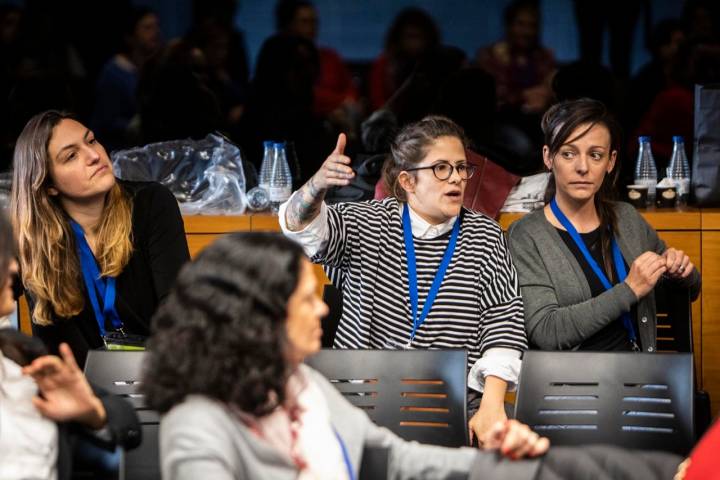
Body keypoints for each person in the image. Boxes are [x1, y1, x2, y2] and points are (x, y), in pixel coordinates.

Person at [142, 232, 550, 479]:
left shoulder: (302, 385)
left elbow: (391, 459)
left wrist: (497, 465)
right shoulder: (197, 425)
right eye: (306, 300)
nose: (322, 309)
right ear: (259, 317)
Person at [279, 116, 528, 444]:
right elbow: (298, 228)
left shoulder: (484, 234)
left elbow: (504, 323)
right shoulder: (367, 222)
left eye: (461, 167)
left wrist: (493, 405)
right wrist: (317, 185)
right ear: (408, 181)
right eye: (441, 168)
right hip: (364, 399)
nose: (456, 178)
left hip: (451, 402)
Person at [507, 98, 701, 352]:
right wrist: (629, 290)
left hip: (639, 380)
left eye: (595, 155)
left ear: (610, 162)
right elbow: (546, 331)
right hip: (569, 387)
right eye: (568, 153)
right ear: (548, 157)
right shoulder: (526, 235)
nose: (583, 167)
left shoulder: (627, 219)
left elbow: (691, 289)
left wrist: (681, 273)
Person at [11, 110, 190, 366]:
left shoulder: (150, 204)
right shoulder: (31, 239)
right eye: (71, 155)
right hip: (75, 392)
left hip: (156, 378)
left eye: (91, 141)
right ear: (48, 184)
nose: (94, 156)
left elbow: (178, 310)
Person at [0, 210, 140, 480]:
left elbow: (128, 424)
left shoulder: (20, 354)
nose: (15, 267)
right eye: (3, 253)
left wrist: (93, 414)